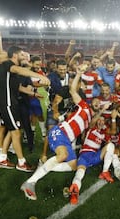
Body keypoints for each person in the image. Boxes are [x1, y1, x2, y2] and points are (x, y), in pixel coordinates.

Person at [20, 65, 98, 200]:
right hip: (60, 132)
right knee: (62, 155)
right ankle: (30, 182)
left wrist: (102, 112)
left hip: (66, 139)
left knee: (74, 165)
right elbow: (73, 90)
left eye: (99, 105)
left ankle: (45, 166)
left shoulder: (89, 119)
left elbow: (91, 124)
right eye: (95, 103)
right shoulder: (83, 105)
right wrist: (79, 74)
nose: (97, 104)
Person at [0, 46, 49, 172]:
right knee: (16, 132)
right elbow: (18, 70)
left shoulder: (11, 71)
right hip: (7, 103)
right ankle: (21, 163)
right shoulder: (8, 64)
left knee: (12, 130)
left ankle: (2, 158)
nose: (25, 57)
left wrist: (34, 94)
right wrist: (40, 76)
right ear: (15, 55)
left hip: (9, 103)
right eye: (22, 55)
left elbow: (18, 87)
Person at [68, 114, 120, 205]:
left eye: (102, 120)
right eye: (99, 120)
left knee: (110, 145)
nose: (101, 122)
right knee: (80, 173)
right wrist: (101, 111)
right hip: (85, 154)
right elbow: (92, 122)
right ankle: (74, 191)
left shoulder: (103, 133)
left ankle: (105, 172)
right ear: (96, 121)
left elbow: (113, 131)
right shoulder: (91, 128)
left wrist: (113, 119)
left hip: (95, 156)